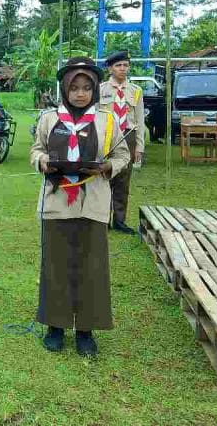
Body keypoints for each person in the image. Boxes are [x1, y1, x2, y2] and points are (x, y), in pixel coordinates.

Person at [30, 56, 130, 357]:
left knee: (92, 268)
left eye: (87, 87)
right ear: (64, 88)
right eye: (74, 87)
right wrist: (43, 161)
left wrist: (107, 166)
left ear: (95, 89)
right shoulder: (50, 118)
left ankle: (86, 331)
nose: (80, 93)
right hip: (57, 203)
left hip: (93, 204)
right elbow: (36, 150)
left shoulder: (107, 119)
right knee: (55, 266)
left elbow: (123, 155)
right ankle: (55, 327)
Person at [99, 50, 145, 235]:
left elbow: (140, 120)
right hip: (106, 136)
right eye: (118, 65)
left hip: (128, 136)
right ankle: (102, 219)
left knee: (123, 182)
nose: (123, 69)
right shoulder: (100, 89)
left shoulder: (136, 91)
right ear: (110, 68)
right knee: (103, 178)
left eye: (126, 65)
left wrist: (139, 146)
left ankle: (119, 220)